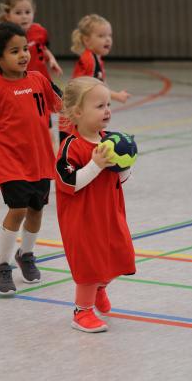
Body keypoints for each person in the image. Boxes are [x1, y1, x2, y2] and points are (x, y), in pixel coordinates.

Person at [0, 22, 62, 295]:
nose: (23, 55)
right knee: (17, 208)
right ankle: (3, 264)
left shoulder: (39, 80)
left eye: (24, 49)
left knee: (36, 210)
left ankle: (26, 254)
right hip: (10, 161)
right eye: (14, 51)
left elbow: (62, 103)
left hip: (40, 159)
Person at [55, 77, 136, 333]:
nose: (108, 110)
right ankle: (83, 311)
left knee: (118, 256)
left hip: (110, 214)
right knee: (89, 266)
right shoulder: (71, 146)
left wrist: (124, 167)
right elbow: (70, 182)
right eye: (100, 106)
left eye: (108, 104)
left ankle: (101, 287)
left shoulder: (109, 139)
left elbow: (120, 179)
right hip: (83, 219)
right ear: (78, 112)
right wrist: (95, 165)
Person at [0, 0, 62, 153]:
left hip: (40, 85)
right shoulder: (4, 37)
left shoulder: (39, 31)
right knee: (26, 125)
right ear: (8, 15)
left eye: (27, 12)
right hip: (19, 88)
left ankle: (54, 160)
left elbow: (42, 48)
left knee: (47, 124)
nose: (24, 16)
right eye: (18, 12)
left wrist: (51, 60)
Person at [59, 14, 131, 143]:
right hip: (73, 115)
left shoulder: (96, 59)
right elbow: (94, 89)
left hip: (80, 112)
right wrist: (117, 96)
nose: (107, 40)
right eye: (101, 36)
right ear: (87, 40)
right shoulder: (89, 60)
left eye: (109, 35)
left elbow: (102, 85)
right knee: (71, 153)